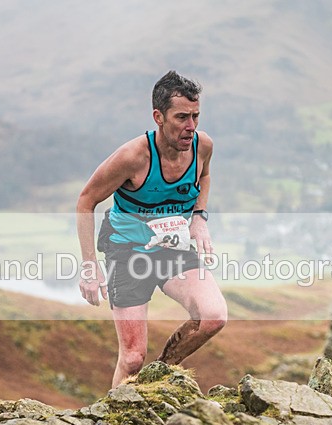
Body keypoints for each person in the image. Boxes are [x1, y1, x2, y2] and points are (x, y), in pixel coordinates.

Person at [76, 70, 227, 388]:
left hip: (172, 248)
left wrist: (199, 218)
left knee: (213, 316)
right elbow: (86, 201)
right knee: (132, 358)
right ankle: (115, 414)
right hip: (127, 250)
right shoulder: (133, 157)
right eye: (181, 117)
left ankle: (160, 375)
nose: (190, 126)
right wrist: (90, 267)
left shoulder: (202, 146)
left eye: (196, 116)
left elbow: (205, 175)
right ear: (158, 117)